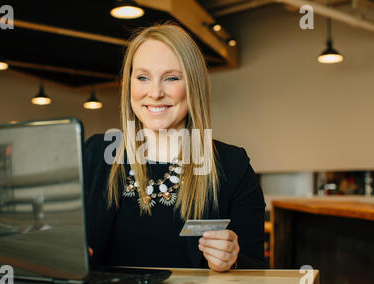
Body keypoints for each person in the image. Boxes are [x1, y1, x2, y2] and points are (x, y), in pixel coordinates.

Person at [83, 23, 266, 271]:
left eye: (171, 78)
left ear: (194, 85)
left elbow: (256, 270)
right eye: (143, 77)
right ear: (129, 84)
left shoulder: (232, 166)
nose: (155, 92)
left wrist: (233, 260)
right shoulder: (95, 154)